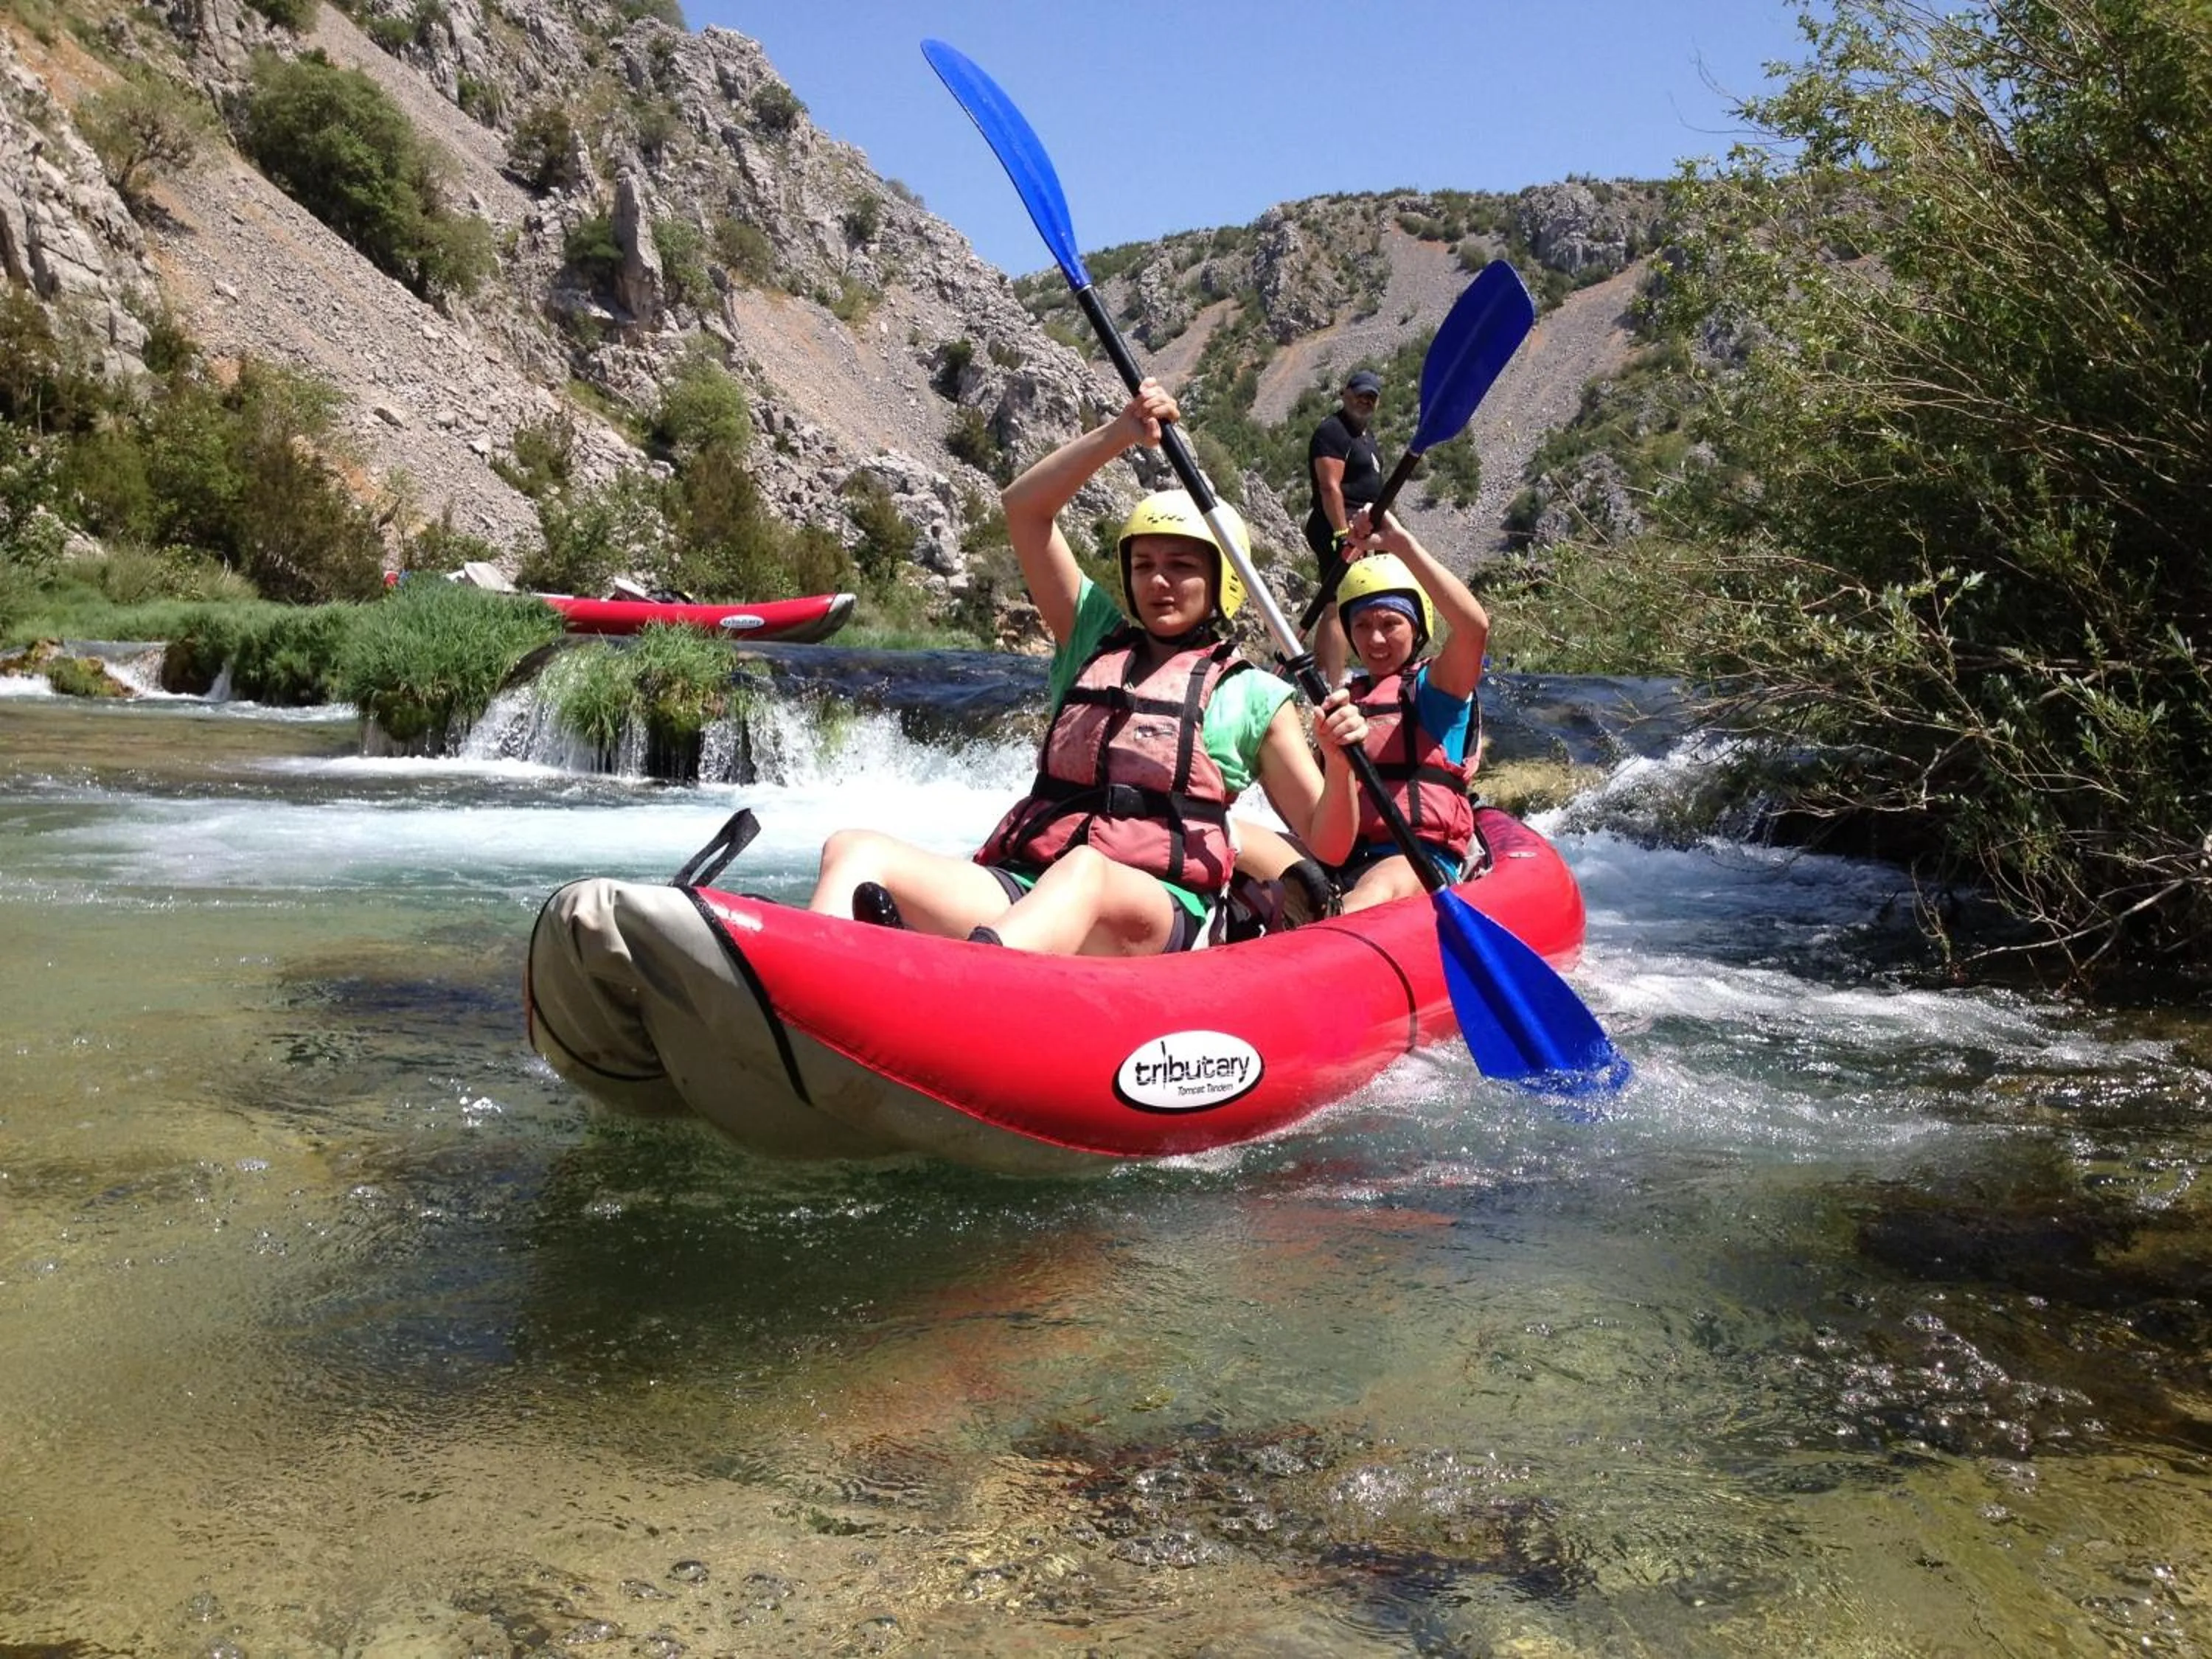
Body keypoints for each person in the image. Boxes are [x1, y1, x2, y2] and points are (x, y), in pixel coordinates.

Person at [808, 378, 1364, 956]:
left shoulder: (1253, 695)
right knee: (854, 849)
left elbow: (1327, 842)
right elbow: (1025, 511)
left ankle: (966, 978)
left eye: (1180, 566)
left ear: (1222, 579)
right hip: (1032, 888)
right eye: (1144, 565)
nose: (1158, 580)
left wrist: (1342, 765)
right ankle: (809, 978)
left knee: (1086, 871)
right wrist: (1121, 433)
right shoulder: (1091, 638)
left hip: (1155, 910)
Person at [1305, 511, 1489, 914]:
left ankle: (1324, 933)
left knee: (1380, 883)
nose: (1375, 638)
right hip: (1346, 858)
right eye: (1361, 625)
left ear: (1416, 626)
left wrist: (1402, 545)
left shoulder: (1437, 689)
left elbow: (1473, 629)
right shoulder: (1344, 703)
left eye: (1390, 623)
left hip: (1420, 861)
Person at [1304, 369, 1385, 684]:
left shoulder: (1366, 437)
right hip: (1336, 528)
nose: (1365, 401)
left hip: (1360, 529)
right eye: (1360, 394)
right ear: (1345, 393)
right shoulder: (1333, 431)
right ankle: (1333, 682)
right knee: (1339, 604)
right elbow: (1329, 486)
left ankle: (1323, 675)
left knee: (1335, 602)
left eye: (1371, 397)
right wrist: (1341, 533)